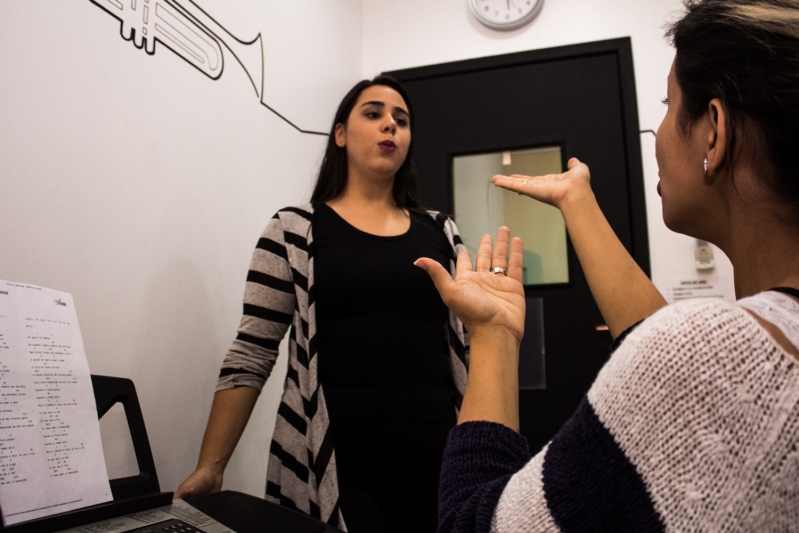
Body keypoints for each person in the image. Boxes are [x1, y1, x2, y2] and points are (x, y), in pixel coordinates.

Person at [414, 1, 799, 531]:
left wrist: (493, 336)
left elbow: (470, 524)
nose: (657, 134)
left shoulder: (712, 357)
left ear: (714, 130)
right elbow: (684, 385)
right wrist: (578, 201)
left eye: (668, 103)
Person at [174, 77, 470, 533]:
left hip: (440, 466)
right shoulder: (293, 231)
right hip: (331, 470)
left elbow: (469, 348)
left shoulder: (443, 232)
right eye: (373, 114)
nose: (390, 125)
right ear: (340, 134)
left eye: (401, 120)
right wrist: (212, 465)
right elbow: (252, 352)